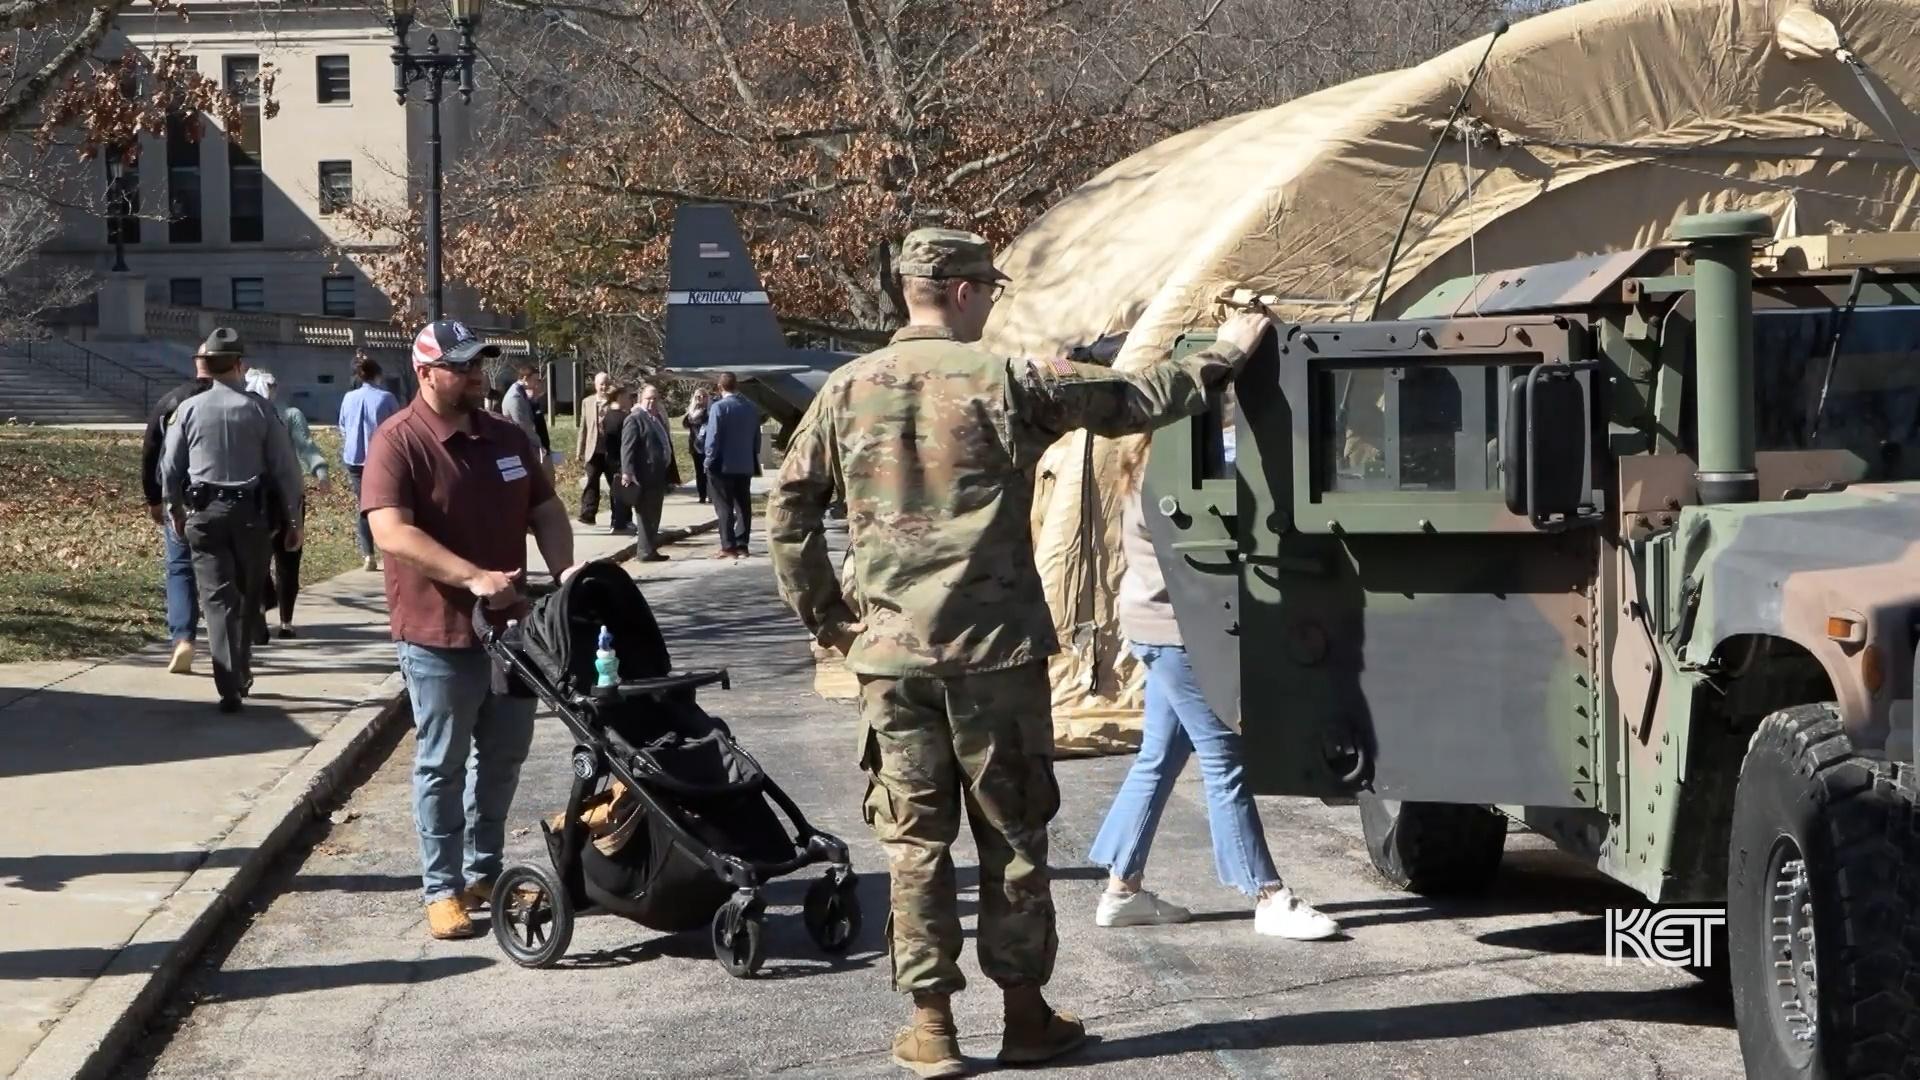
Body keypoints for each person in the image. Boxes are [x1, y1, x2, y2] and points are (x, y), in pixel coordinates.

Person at [767, 227, 1269, 1077]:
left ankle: (932, 1028)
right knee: (1013, 841)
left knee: (914, 847)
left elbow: (789, 516)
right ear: (963, 292)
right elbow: (1135, 398)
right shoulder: (1010, 381)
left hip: (892, 664)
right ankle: (1025, 1019)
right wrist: (1227, 350)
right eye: (989, 293)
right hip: (995, 658)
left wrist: (833, 622)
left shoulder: (845, 390)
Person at [360, 318, 576, 942]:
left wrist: (565, 570)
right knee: (443, 764)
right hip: (438, 635)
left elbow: (546, 508)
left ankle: (485, 873)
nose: (476, 374)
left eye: (479, 363)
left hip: (513, 635)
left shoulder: (506, 435)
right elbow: (390, 532)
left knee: (504, 758)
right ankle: (442, 888)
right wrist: (474, 576)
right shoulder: (399, 441)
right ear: (425, 374)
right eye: (461, 366)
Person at [1087, 436, 1341, 940]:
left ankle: (1122, 891)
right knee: (1224, 757)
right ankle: (1267, 895)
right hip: (1178, 635)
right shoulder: (1171, 469)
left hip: (1156, 627)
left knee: (1158, 758)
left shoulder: (1144, 460)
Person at [159, 328, 305, 713]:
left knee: (216, 599)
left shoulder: (188, 410)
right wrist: (294, 520)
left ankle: (229, 681)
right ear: (239, 365)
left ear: (208, 366)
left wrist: (175, 510)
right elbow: (286, 469)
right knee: (248, 595)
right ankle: (240, 668)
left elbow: (169, 468)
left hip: (204, 514)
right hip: (250, 516)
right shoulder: (261, 410)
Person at [245, 368, 331, 641]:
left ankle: (269, 614)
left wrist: (320, 469)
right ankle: (285, 622)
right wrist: (320, 472)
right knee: (288, 559)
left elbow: (305, 446)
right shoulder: (287, 415)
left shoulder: (251, 416)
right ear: (274, 388)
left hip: (255, 497)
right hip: (287, 494)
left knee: (260, 558)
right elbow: (306, 446)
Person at [143, 354, 212, 674]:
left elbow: (152, 452)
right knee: (225, 568)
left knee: (180, 568)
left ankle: (183, 637)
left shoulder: (171, 402)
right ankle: (232, 636)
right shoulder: (243, 402)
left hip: (181, 498)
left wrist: (154, 498)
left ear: (197, 363)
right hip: (228, 498)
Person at [338, 356, 399, 572]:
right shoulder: (387, 397)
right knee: (386, 504)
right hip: (380, 458)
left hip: (354, 458)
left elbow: (342, 425)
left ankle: (368, 555)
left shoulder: (348, 397)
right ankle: (390, 551)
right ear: (378, 375)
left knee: (363, 505)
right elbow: (398, 427)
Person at [702, 372, 761, 558]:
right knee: (743, 505)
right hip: (744, 462)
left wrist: (708, 460)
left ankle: (728, 546)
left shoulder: (719, 407)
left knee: (724, 505)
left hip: (722, 464)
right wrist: (753, 454)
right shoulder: (751, 407)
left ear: (720, 387)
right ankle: (742, 543)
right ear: (737, 386)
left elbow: (713, 437)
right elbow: (757, 437)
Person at [620, 382, 673, 563]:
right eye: (648, 398)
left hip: (657, 474)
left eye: (655, 399)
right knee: (644, 514)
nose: (652, 402)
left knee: (654, 514)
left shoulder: (655, 418)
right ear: (641, 399)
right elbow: (627, 447)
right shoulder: (634, 418)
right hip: (643, 474)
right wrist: (627, 471)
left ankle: (651, 549)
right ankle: (644, 551)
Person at [576, 372, 617, 524]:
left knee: (615, 484)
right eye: (601, 384)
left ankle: (618, 516)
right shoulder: (587, 402)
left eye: (606, 384)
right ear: (595, 385)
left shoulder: (614, 402)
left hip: (611, 451)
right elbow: (583, 428)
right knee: (591, 482)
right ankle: (588, 514)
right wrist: (579, 451)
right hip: (593, 450)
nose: (604, 387)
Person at [500, 362, 550, 474]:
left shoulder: (521, 394)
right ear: (525, 379)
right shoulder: (515, 398)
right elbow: (524, 427)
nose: (536, 383)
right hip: (517, 448)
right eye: (534, 379)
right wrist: (539, 445)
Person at [601, 385, 634, 534]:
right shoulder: (625, 418)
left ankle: (616, 520)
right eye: (627, 397)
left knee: (616, 492)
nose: (630, 400)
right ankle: (622, 522)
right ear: (619, 397)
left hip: (609, 460)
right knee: (624, 493)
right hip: (621, 460)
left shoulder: (607, 416)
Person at [682, 386, 711, 504]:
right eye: (698, 397)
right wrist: (692, 410)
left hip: (707, 445)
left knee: (708, 471)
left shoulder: (709, 411)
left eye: (704, 396)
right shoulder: (691, 412)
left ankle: (711, 495)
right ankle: (702, 495)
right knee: (699, 472)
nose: (701, 399)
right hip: (695, 445)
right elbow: (685, 424)